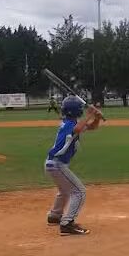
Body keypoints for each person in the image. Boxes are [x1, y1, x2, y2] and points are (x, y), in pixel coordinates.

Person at [45, 96, 103, 236]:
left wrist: (96, 118)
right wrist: (90, 114)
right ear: (76, 111)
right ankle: (67, 223)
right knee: (79, 191)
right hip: (57, 164)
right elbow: (78, 128)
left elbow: (90, 127)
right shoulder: (70, 125)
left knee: (65, 190)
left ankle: (55, 216)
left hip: (52, 164)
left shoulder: (68, 123)